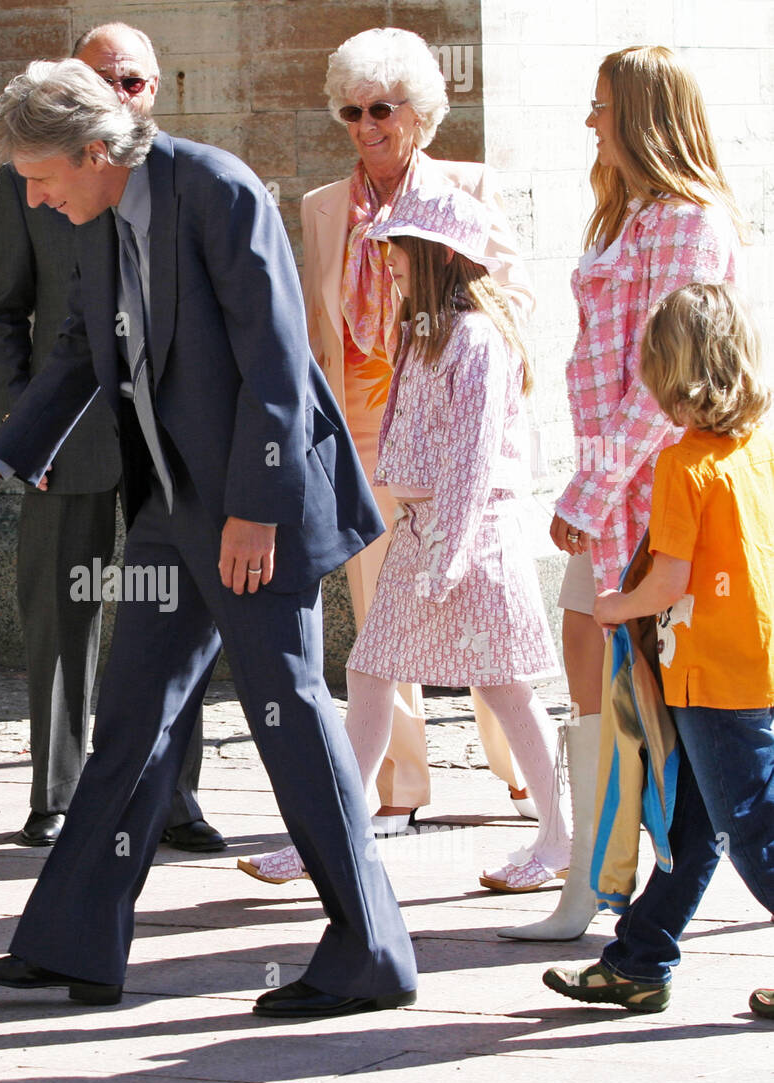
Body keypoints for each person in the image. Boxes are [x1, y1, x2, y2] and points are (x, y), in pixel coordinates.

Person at [0, 59, 417, 1018]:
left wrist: (256, 507)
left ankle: (370, 953)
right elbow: (78, 353)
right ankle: (76, 942)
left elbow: (279, 362)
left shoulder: (218, 190)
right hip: (171, 507)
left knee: (289, 715)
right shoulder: (98, 215)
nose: (32, 196)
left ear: (93, 150)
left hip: (255, 505)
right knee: (131, 714)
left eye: (40, 177)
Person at [242, 26, 540, 886]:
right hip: (365, 422)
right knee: (379, 611)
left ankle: (516, 772)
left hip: (451, 419)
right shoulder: (323, 206)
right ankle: (401, 783)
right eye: (350, 110)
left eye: (382, 108)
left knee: (478, 599)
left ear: (420, 112)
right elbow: (315, 328)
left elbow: (510, 296)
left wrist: (447, 337)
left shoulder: (466, 187)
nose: (365, 125)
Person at [501, 45, 745, 941]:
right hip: (614, 502)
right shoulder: (627, 215)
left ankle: (628, 889)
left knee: (671, 704)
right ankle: (593, 881)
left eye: (601, 104)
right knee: (601, 687)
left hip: (655, 502)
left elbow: (664, 384)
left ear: (643, 115)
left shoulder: (689, 223)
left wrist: (591, 491)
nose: (589, 119)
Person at [0, 23, 220, 853]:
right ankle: (56, 794)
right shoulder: (31, 181)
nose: (121, 96)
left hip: (165, 437)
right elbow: (5, 314)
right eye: (102, 80)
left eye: (136, 84)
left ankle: (175, 796)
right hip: (67, 433)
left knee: (175, 610)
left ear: (156, 91)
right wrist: (25, 433)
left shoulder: (187, 185)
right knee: (59, 613)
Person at [328, 186, 570, 897]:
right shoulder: (426, 331)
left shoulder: (478, 339)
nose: (389, 260)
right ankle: (335, 831)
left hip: (473, 534)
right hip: (422, 531)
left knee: (505, 688)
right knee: (370, 671)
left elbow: (468, 459)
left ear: (434, 255)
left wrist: (451, 554)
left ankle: (559, 836)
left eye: (397, 248)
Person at [544, 283, 774, 1018]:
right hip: (756, 660)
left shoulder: (683, 466)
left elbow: (668, 580)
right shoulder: (754, 449)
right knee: (695, 825)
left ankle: (640, 959)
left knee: (749, 828)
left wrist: (610, 605)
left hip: (710, 675)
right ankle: (640, 958)